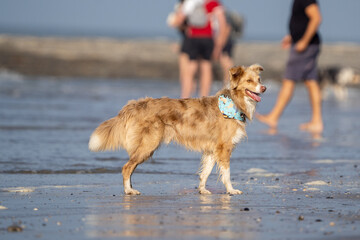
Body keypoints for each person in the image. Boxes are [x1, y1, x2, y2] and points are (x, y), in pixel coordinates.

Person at [256, 0, 323, 134]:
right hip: (306, 44)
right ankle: (317, 121)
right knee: (310, 81)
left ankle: (273, 117)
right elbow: (302, 21)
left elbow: (316, 18)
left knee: (289, 79)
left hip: (305, 46)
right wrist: (293, 36)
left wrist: (303, 41)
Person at [169, 0, 228, 98]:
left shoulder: (191, 2)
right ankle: (204, 97)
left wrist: (183, 27)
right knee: (206, 66)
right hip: (208, 37)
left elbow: (178, 20)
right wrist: (219, 44)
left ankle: (185, 97)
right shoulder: (213, 3)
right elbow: (222, 22)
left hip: (193, 37)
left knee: (190, 68)